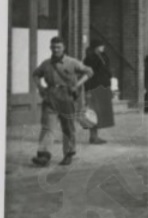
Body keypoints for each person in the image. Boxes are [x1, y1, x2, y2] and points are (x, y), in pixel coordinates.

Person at [31, 36, 93, 166]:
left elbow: (89, 72)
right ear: (50, 47)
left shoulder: (72, 62)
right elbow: (36, 74)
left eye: (58, 47)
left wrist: (77, 85)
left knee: (68, 127)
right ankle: (43, 155)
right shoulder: (46, 63)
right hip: (50, 96)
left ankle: (68, 154)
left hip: (67, 97)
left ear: (63, 48)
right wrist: (40, 87)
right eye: (53, 47)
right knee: (47, 127)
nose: (55, 50)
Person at [83, 41, 114, 145]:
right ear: (96, 47)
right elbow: (88, 74)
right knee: (93, 112)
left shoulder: (102, 56)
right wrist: (87, 90)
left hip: (102, 86)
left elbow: (106, 70)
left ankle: (95, 136)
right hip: (94, 87)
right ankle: (93, 137)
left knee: (99, 113)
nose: (103, 47)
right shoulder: (90, 58)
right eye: (101, 45)